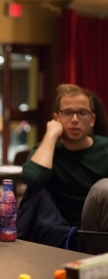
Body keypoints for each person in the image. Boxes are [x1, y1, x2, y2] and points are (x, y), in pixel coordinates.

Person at [18, 84, 108, 254]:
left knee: (104, 189)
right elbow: (34, 179)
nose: (75, 119)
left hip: (99, 231)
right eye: (67, 113)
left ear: (92, 119)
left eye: (82, 113)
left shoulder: (105, 149)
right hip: (63, 236)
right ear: (56, 119)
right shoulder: (48, 149)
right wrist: (51, 135)